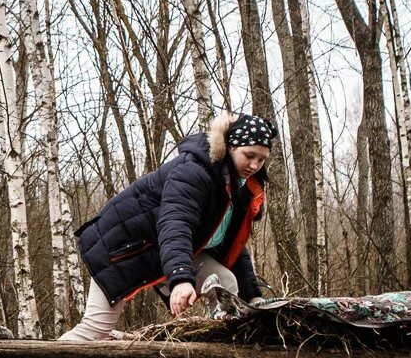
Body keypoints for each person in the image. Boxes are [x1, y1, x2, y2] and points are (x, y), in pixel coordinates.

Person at [62, 110, 277, 342]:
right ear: (230, 147)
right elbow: (176, 224)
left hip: (166, 249)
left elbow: (233, 245)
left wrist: (253, 297)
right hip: (122, 246)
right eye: (249, 155)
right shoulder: (194, 172)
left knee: (225, 281)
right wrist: (180, 278)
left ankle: (218, 355)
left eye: (262, 159)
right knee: (95, 329)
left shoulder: (239, 186)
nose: (255, 165)